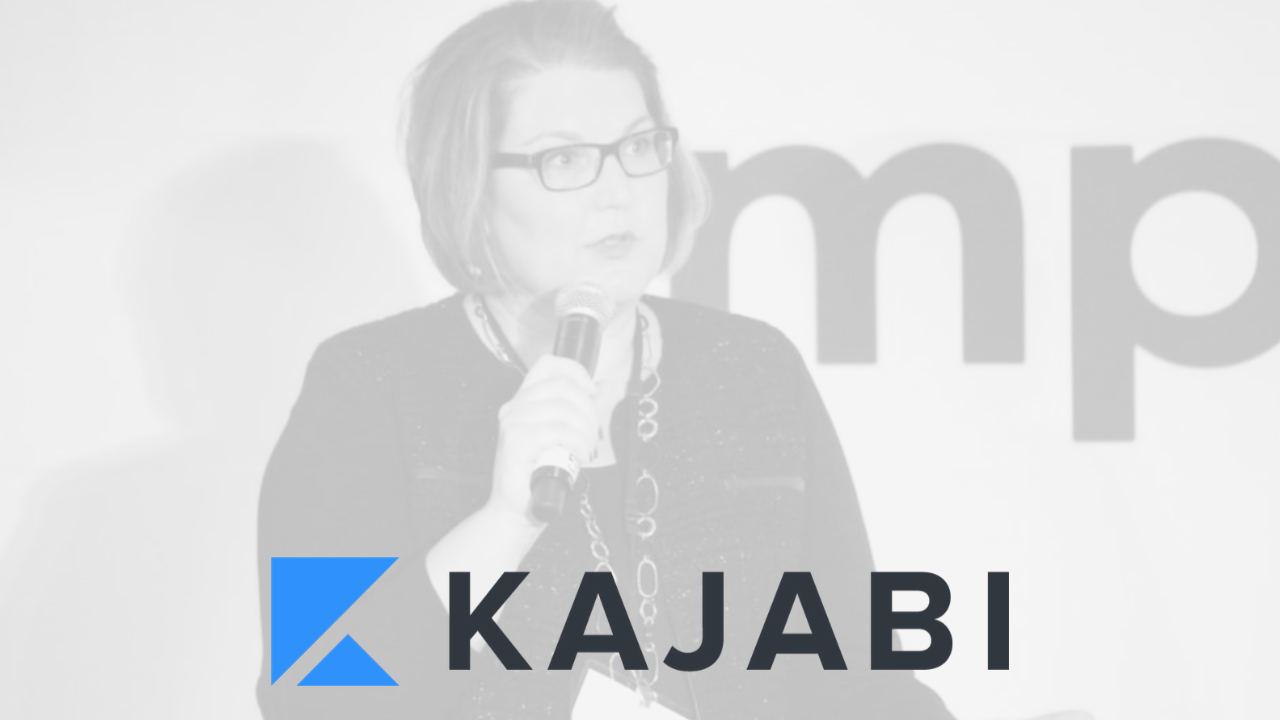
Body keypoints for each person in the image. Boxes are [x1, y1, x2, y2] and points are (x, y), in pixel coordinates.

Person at [256, 1, 957, 717]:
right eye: (564, 159)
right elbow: (313, 692)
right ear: (469, 186)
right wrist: (506, 521)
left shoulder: (753, 371)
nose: (619, 192)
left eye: (639, 147)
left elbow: (861, 680)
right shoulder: (366, 388)